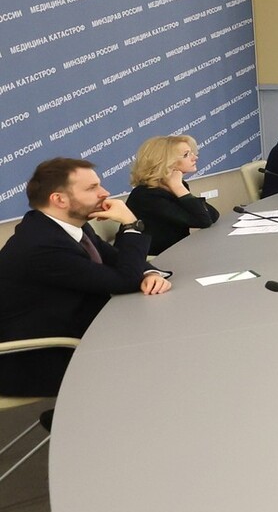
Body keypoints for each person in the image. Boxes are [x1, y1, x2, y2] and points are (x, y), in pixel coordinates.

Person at [0, 158, 171, 396]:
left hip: (81, 330)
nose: (105, 193)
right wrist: (131, 224)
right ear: (59, 199)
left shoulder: (69, 226)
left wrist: (149, 273)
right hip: (40, 358)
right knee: (157, 361)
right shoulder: (41, 246)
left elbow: (119, 262)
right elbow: (124, 280)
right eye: (92, 188)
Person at [126, 135, 220, 254]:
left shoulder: (175, 186)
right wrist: (178, 187)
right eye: (186, 155)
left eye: (192, 153)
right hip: (152, 258)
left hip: (176, 251)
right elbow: (203, 221)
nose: (195, 157)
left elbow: (213, 215)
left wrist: (179, 187)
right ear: (165, 162)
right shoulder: (146, 195)